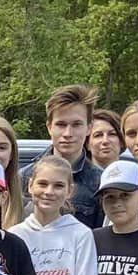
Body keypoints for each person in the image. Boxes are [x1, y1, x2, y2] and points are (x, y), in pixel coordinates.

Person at [47, 84, 103, 227]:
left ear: (89, 128)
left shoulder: (100, 182)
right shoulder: (24, 177)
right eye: (61, 124)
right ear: (49, 127)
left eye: (76, 124)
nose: (68, 133)